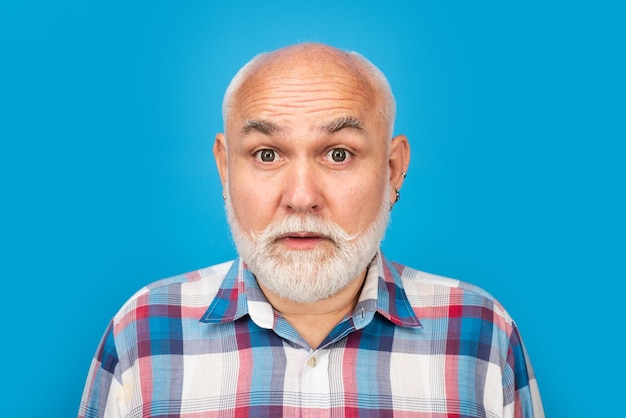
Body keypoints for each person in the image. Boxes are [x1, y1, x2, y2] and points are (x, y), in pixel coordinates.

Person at [78, 43, 544, 417]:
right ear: (225, 168)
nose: (301, 196)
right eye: (266, 154)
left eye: (338, 154)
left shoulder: (481, 335)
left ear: (393, 168)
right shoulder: (142, 333)